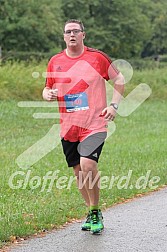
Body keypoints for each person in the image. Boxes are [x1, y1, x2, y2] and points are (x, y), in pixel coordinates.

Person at [42, 19, 124, 234]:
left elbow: (119, 79)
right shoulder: (55, 61)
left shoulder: (96, 58)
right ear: (63, 36)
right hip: (69, 127)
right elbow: (47, 88)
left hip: (94, 123)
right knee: (78, 172)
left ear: (83, 35)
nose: (71, 35)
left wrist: (114, 106)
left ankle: (96, 211)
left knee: (88, 165)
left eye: (75, 31)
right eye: (68, 32)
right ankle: (90, 211)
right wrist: (47, 94)